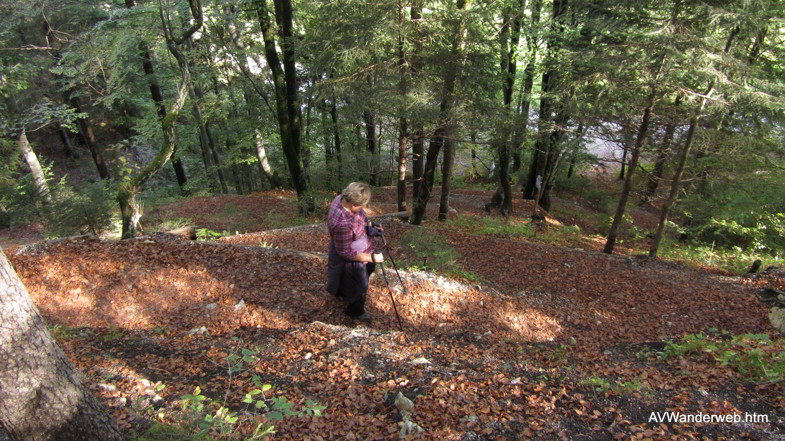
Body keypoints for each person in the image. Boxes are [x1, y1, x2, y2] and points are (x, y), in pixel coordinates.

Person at [326, 182, 384, 323]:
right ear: (353, 205)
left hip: (361, 248)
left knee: (354, 278)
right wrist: (371, 258)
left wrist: (369, 226)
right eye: (361, 206)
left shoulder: (341, 198)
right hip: (353, 257)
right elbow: (345, 252)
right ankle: (354, 311)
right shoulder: (341, 223)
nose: (362, 208)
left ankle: (344, 294)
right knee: (360, 285)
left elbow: (361, 216)